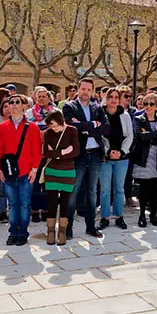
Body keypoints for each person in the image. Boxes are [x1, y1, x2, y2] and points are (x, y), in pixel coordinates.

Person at [62, 79, 109, 239]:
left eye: (88, 89)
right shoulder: (70, 106)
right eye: (83, 88)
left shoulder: (97, 107)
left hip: (95, 154)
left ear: (92, 91)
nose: (85, 92)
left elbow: (106, 127)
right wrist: (92, 125)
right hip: (78, 155)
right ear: (78, 89)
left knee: (91, 193)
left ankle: (91, 226)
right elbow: (71, 127)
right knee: (73, 193)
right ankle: (67, 228)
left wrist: (84, 126)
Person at [0, 95, 42, 246]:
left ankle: (23, 233)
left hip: (26, 172)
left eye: (18, 102)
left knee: (24, 204)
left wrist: (34, 169)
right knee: (13, 204)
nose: (14, 105)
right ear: (7, 106)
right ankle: (13, 232)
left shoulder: (32, 127)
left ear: (24, 106)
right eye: (11, 102)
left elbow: (37, 150)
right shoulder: (2, 127)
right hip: (9, 173)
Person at [41, 111, 80, 245]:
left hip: (68, 171)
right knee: (51, 202)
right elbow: (46, 153)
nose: (54, 128)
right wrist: (63, 152)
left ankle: (62, 232)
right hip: (52, 171)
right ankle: (50, 232)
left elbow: (75, 151)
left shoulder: (72, 130)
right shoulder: (48, 133)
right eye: (51, 126)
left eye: (55, 125)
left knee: (65, 202)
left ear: (60, 121)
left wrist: (56, 154)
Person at [132, 93, 157, 228]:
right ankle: (142, 214)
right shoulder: (138, 119)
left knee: (154, 186)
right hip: (143, 156)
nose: (148, 106)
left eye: (151, 104)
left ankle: (153, 213)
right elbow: (141, 136)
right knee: (143, 188)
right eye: (146, 104)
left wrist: (150, 135)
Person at [98, 88, 133, 230]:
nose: (113, 99)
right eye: (110, 96)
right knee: (105, 189)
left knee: (119, 188)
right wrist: (107, 152)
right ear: (106, 98)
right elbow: (98, 136)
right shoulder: (100, 114)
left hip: (122, 157)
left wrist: (122, 152)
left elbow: (130, 135)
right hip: (105, 157)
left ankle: (119, 216)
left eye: (116, 97)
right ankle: (105, 217)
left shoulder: (125, 115)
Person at [27, 86, 56, 224]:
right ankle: (34, 210)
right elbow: (26, 130)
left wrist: (47, 134)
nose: (42, 98)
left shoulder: (56, 113)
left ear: (49, 98)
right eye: (39, 96)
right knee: (35, 182)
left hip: (50, 152)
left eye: (44, 96)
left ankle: (46, 209)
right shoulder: (28, 113)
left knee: (48, 182)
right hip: (34, 152)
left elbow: (60, 130)